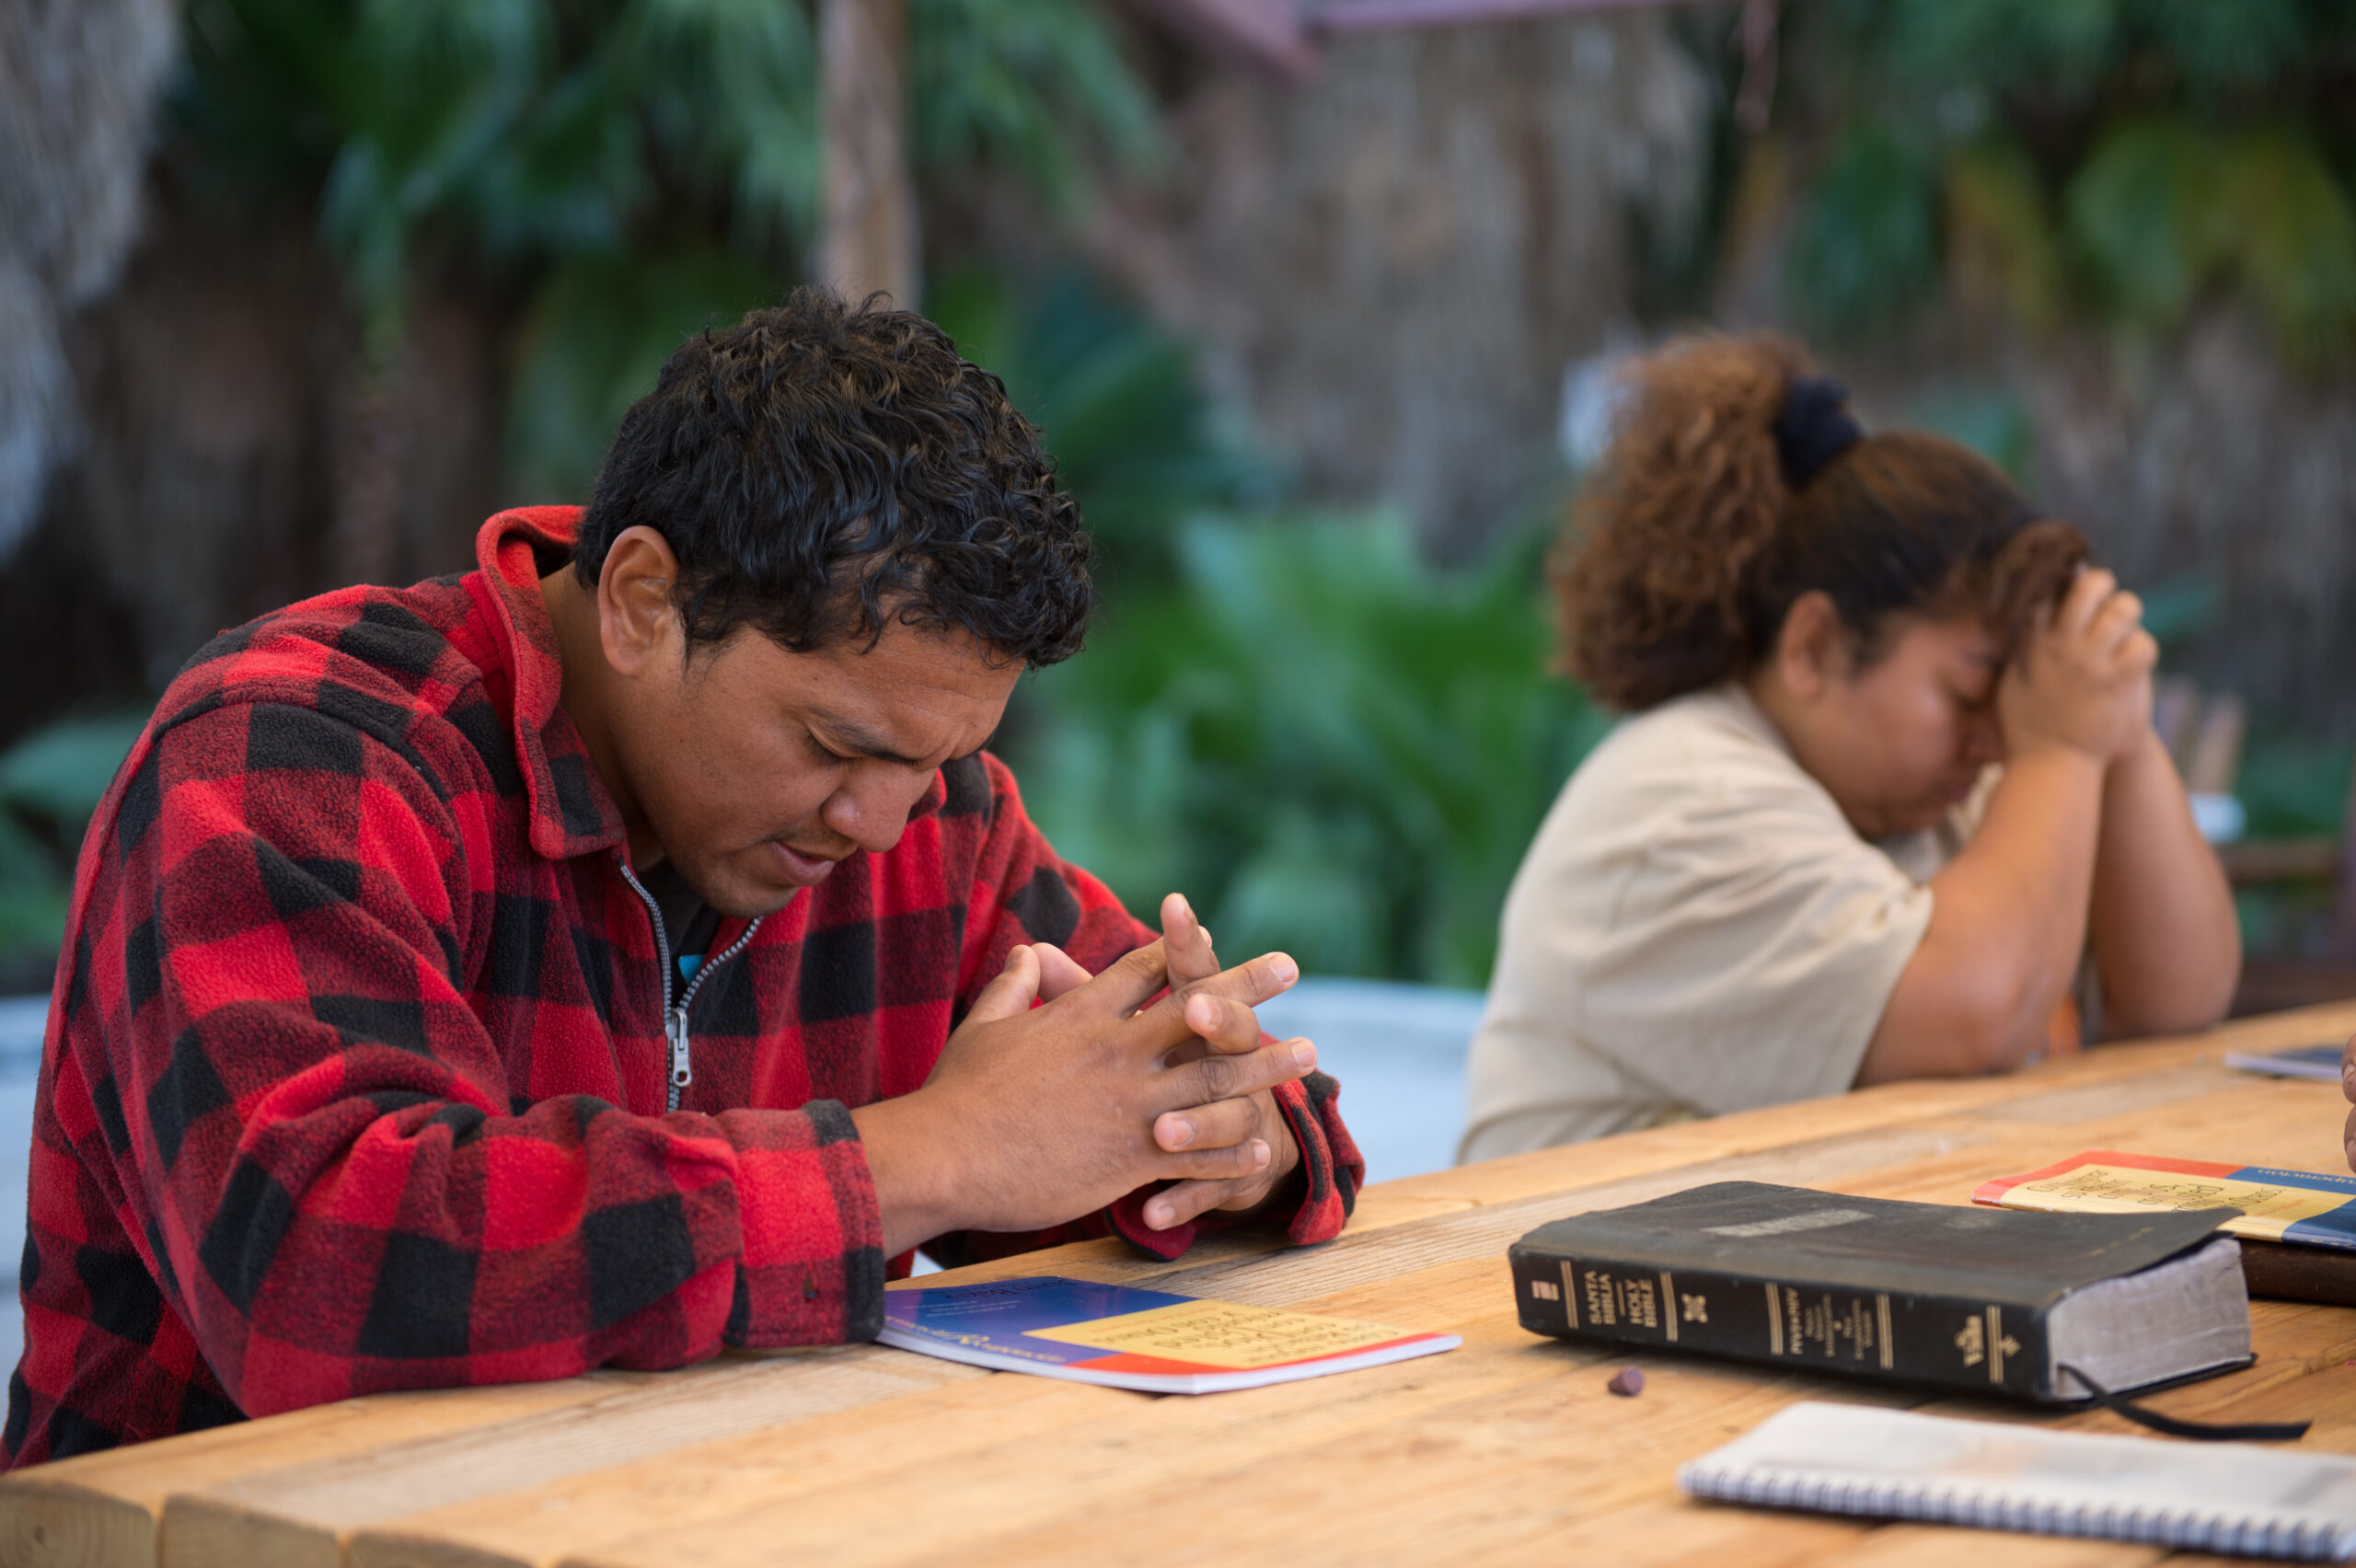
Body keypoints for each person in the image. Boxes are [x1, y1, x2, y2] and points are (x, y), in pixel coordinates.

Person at [6, 290, 1361, 1465]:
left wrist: (1215, 1147)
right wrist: (937, 1156)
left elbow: (1267, 1113)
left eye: (940, 758)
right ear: (643, 602)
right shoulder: (290, 758)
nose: (887, 825)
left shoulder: (930, 811)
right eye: (839, 743)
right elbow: (327, 1273)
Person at [1459, 332, 2239, 1162]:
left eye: (2015, 702)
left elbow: (2178, 1002)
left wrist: (2109, 719)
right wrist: (2062, 751)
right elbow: (1977, 1015)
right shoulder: (1682, 797)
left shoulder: (1954, 783)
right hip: (1556, 1287)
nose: (1993, 742)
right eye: (1970, 693)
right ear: (1815, 648)